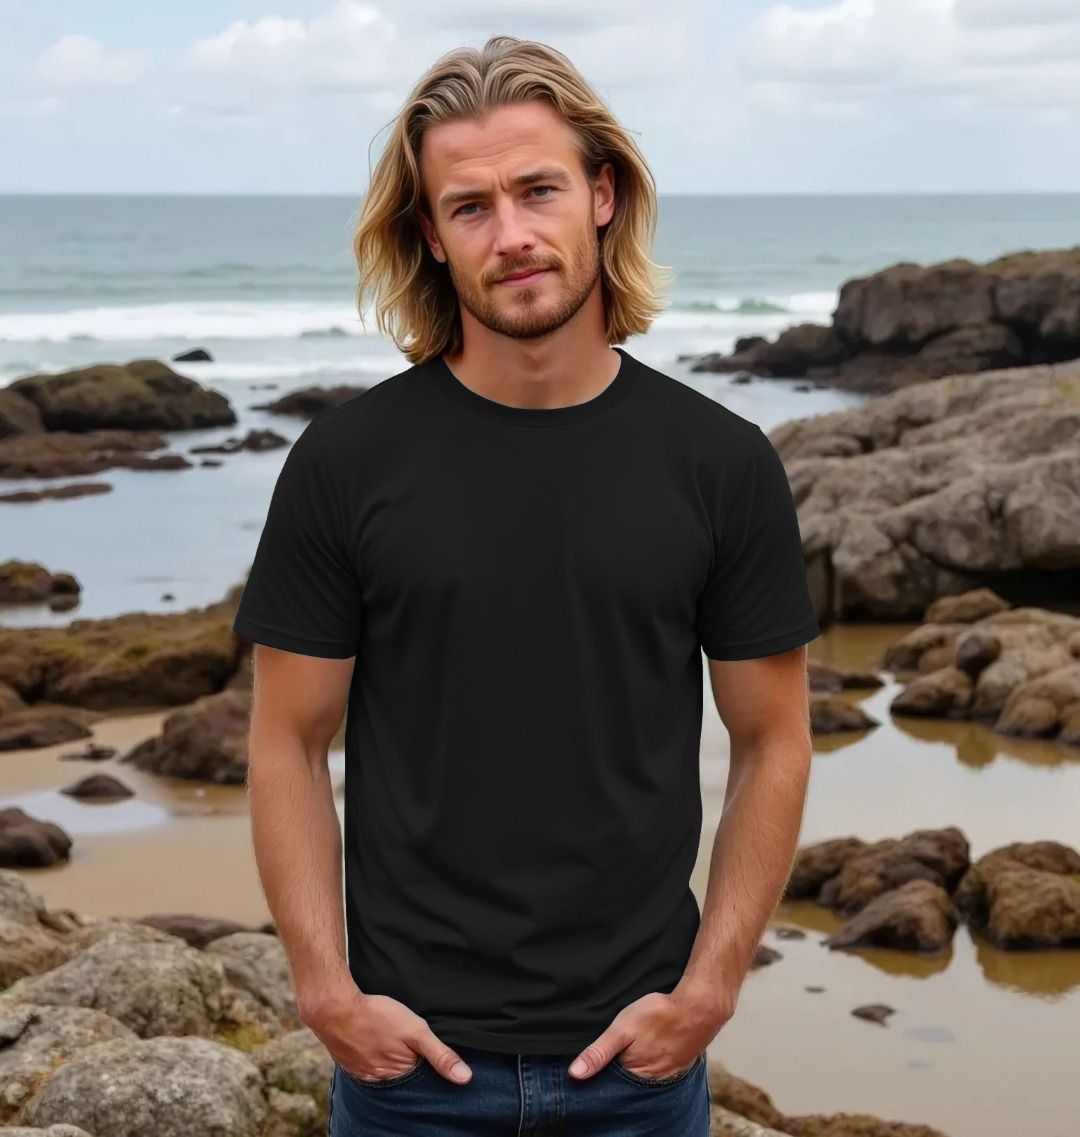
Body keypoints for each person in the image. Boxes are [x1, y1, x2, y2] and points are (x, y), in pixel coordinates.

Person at [232, 33, 821, 1137]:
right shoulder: (345, 465)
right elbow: (288, 742)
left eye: (537, 190)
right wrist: (325, 992)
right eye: (470, 207)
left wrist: (711, 988)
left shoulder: (721, 464)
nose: (511, 235)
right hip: (411, 1076)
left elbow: (773, 739)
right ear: (431, 235)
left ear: (602, 195)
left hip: (637, 1076)